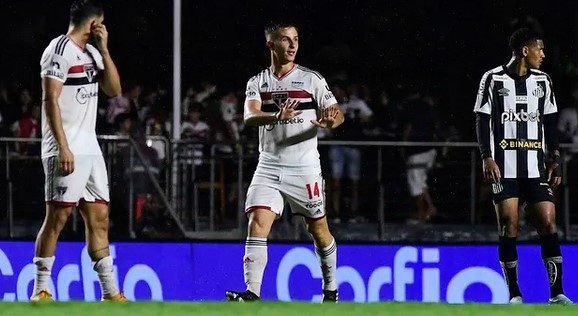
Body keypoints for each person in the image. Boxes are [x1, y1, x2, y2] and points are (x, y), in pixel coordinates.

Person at [226, 21, 344, 302]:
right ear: (271, 44)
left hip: (304, 168)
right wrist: (275, 116)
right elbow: (249, 116)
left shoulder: (311, 79)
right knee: (257, 221)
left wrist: (331, 120)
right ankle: (252, 293)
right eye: (285, 40)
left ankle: (330, 288)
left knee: (318, 230)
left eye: (296, 39)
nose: (292, 45)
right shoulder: (257, 82)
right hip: (268, 166)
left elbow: (337, 112)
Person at [32, 0, 127, 302]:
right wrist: (62, 146)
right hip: (66, 146)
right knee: (57, 218)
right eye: (103, 22)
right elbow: (50, 100)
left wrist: (106, 50)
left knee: (99, 217)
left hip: (90, 146)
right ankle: (41, 289)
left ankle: (111, 293)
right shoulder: (59, 50)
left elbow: (114, 90)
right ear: (95, 21)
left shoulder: (93, 53)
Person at [474, 28, 572, 305]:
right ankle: (515, 294)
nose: (544, 54)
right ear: (525, 51)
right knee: (509, 225)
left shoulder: (543, 81)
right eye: (539, 49)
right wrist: (486, 156)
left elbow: (550, 122)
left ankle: (557, 293)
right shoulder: (492, 79)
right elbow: (482, 120)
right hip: (504, 167)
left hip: (535, 167)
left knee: (548, 223)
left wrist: (555, 158)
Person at [402, 93, 440, 223]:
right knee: (421, 182)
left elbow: (408, 131)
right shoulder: (431, 112)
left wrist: (403, 147)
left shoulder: (413, 112)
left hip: (417, 153)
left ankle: (421, 214)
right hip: (430, 152)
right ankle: (430, 208)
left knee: (415, 185)